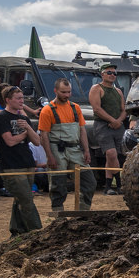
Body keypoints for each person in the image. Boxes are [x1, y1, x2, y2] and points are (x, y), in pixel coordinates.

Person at [0, 86, 43, 236]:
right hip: (11, 165)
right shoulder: (1, 118)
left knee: (20, 199)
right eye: (18, 98)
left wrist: (28, 127)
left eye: (22, 98)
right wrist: (25, 134)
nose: (22, 101)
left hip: (27, 163)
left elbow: (37, 142)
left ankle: (17, 230)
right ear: (8, 100)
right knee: (27, 200)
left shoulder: (24, 118)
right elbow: (10, 141)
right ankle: (36, 232)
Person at [39, 78, 94, 211]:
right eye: (63, 92)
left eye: (69, 92)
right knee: (58, 184)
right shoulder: (47, 110)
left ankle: (83, 213)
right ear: (55, 91)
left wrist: (86, 150)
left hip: (75, 148)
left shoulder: (75, 108)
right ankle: (59, 216)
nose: (67, 95)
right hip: (56, 149)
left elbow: (82, 130)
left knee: (89, 182)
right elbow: (44, 135)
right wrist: (49, 156)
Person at [88, 64, 126, 195]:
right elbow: (96, 109)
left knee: (117, 156)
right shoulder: (96, 88)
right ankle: (120, 184)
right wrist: (112, 120)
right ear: (102, 74)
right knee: (111, 154)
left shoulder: (118, 91)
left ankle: (108, 187)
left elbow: (124, 109)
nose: (112, 75)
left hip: (118, 125)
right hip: (102, 125)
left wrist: (119, 121)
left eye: (115, 73)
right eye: (109, 72)